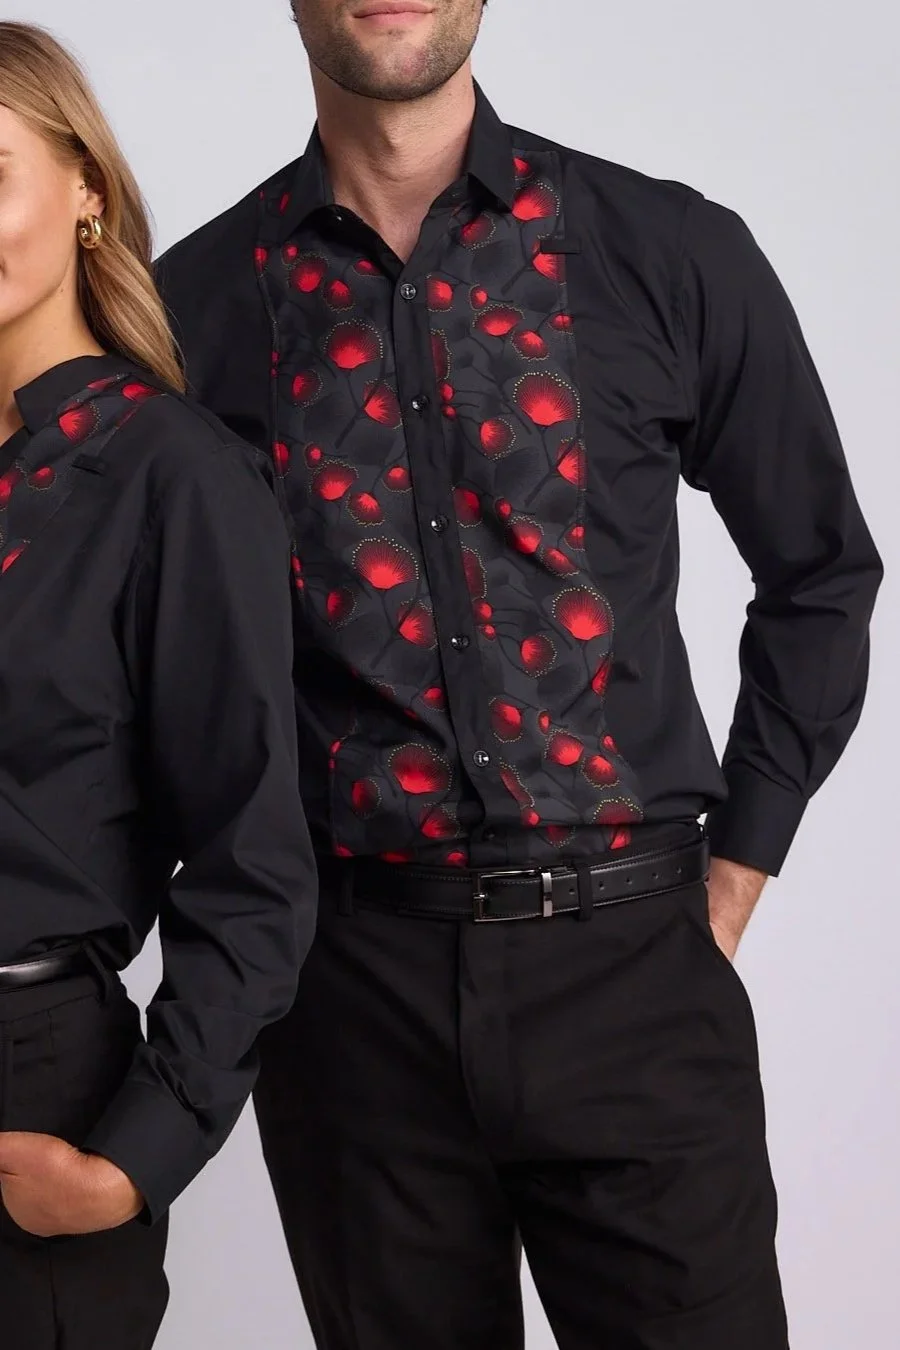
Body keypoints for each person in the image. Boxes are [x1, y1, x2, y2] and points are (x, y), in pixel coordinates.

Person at [156, 2, 883, 1346]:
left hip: (635, 978)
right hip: (353, 1005)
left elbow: (823, 570)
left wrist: (738, 862)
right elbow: (155, 675)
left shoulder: (666, 252)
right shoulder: (193, 310)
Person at [0, 22, 317, 1350]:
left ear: (84, 186)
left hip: (31, 1087)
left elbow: (256, 856)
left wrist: (134, 1158)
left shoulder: (173, 474)